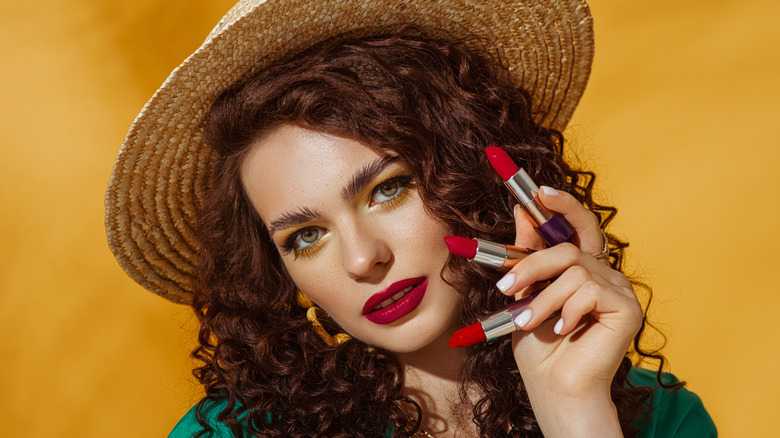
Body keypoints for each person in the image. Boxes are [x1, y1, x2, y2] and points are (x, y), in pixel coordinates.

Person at [105, 0, 717, 436]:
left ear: (471, 176)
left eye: (388, 189)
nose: (361, 258)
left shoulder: (661, 422)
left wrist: (573, 410)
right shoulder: (232, 436)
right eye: (306, 236)